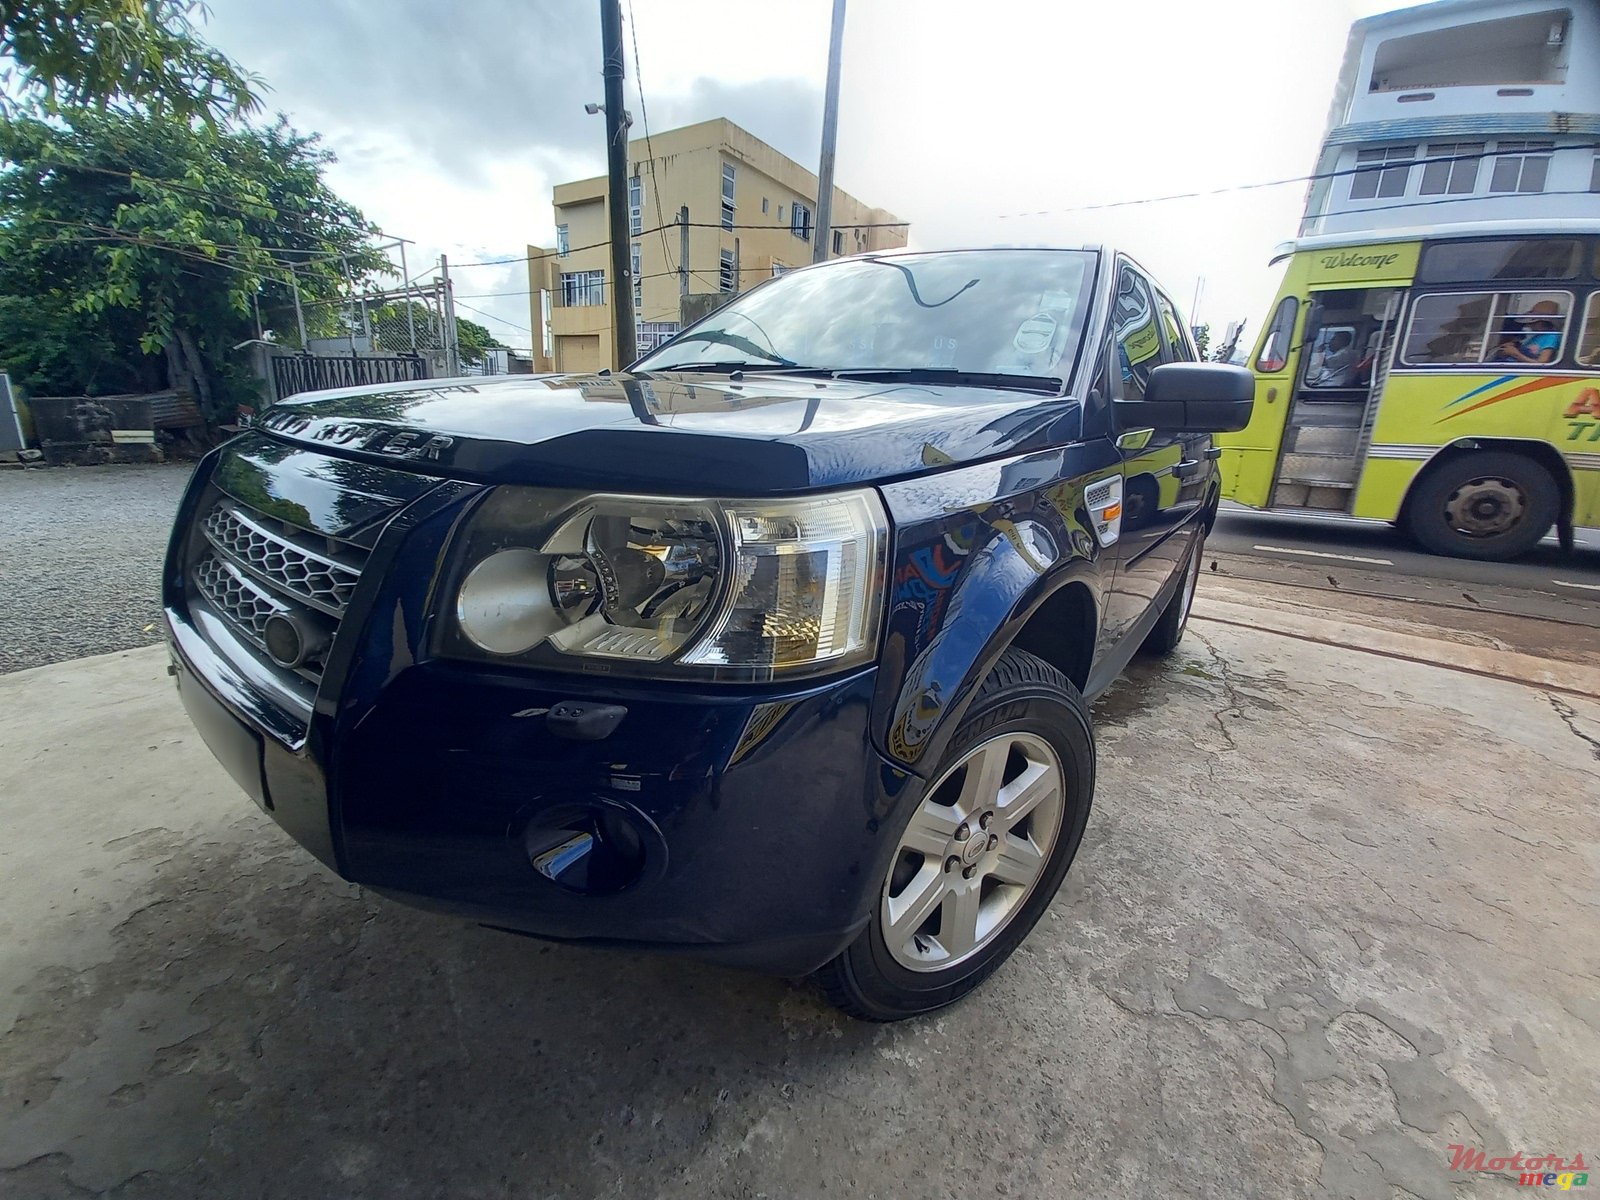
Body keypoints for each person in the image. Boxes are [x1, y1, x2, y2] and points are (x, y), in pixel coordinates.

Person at [1494, 300, 1563, 365]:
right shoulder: (1535, 336)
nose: (1529, 325)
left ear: (1541, 323)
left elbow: (1542, 363)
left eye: (1532, 323)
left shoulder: (1551, 336)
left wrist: (1515, 354)